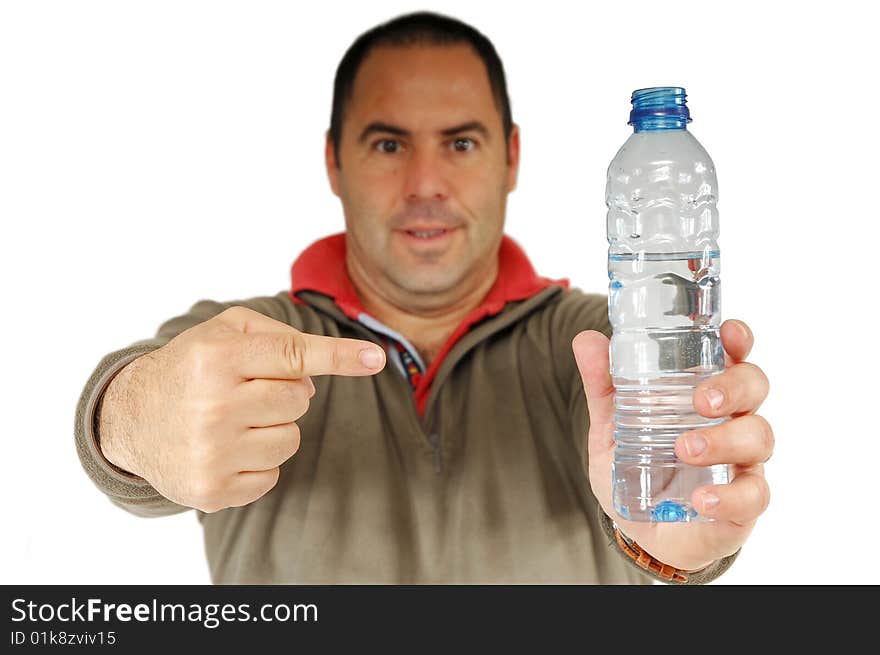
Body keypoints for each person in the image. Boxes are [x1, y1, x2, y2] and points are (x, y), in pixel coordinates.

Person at [74, 11, 772, 585]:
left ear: (511, 157)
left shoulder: (599, 344)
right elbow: (127, 398)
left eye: (461, 142)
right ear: (333, 161)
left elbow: (675, 508)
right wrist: (139, 417)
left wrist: (675, 543)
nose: (426, 184)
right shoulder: (248, 344)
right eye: (387, 145)